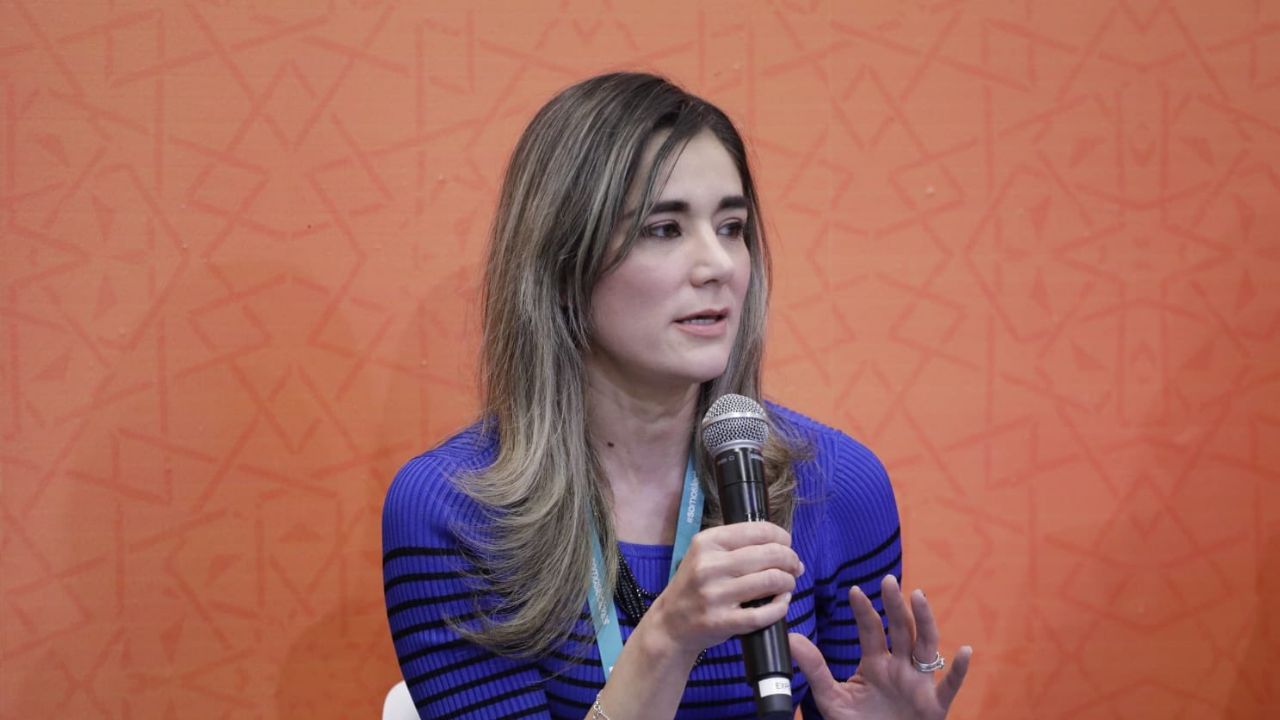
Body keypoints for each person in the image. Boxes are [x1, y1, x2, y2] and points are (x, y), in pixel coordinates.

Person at [382, 72, 972, 719]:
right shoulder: (455, 512)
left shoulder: (836, 485)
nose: (717, 264)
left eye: (732, 226)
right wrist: (666, 640)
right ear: (562, 267)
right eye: (664, 229)